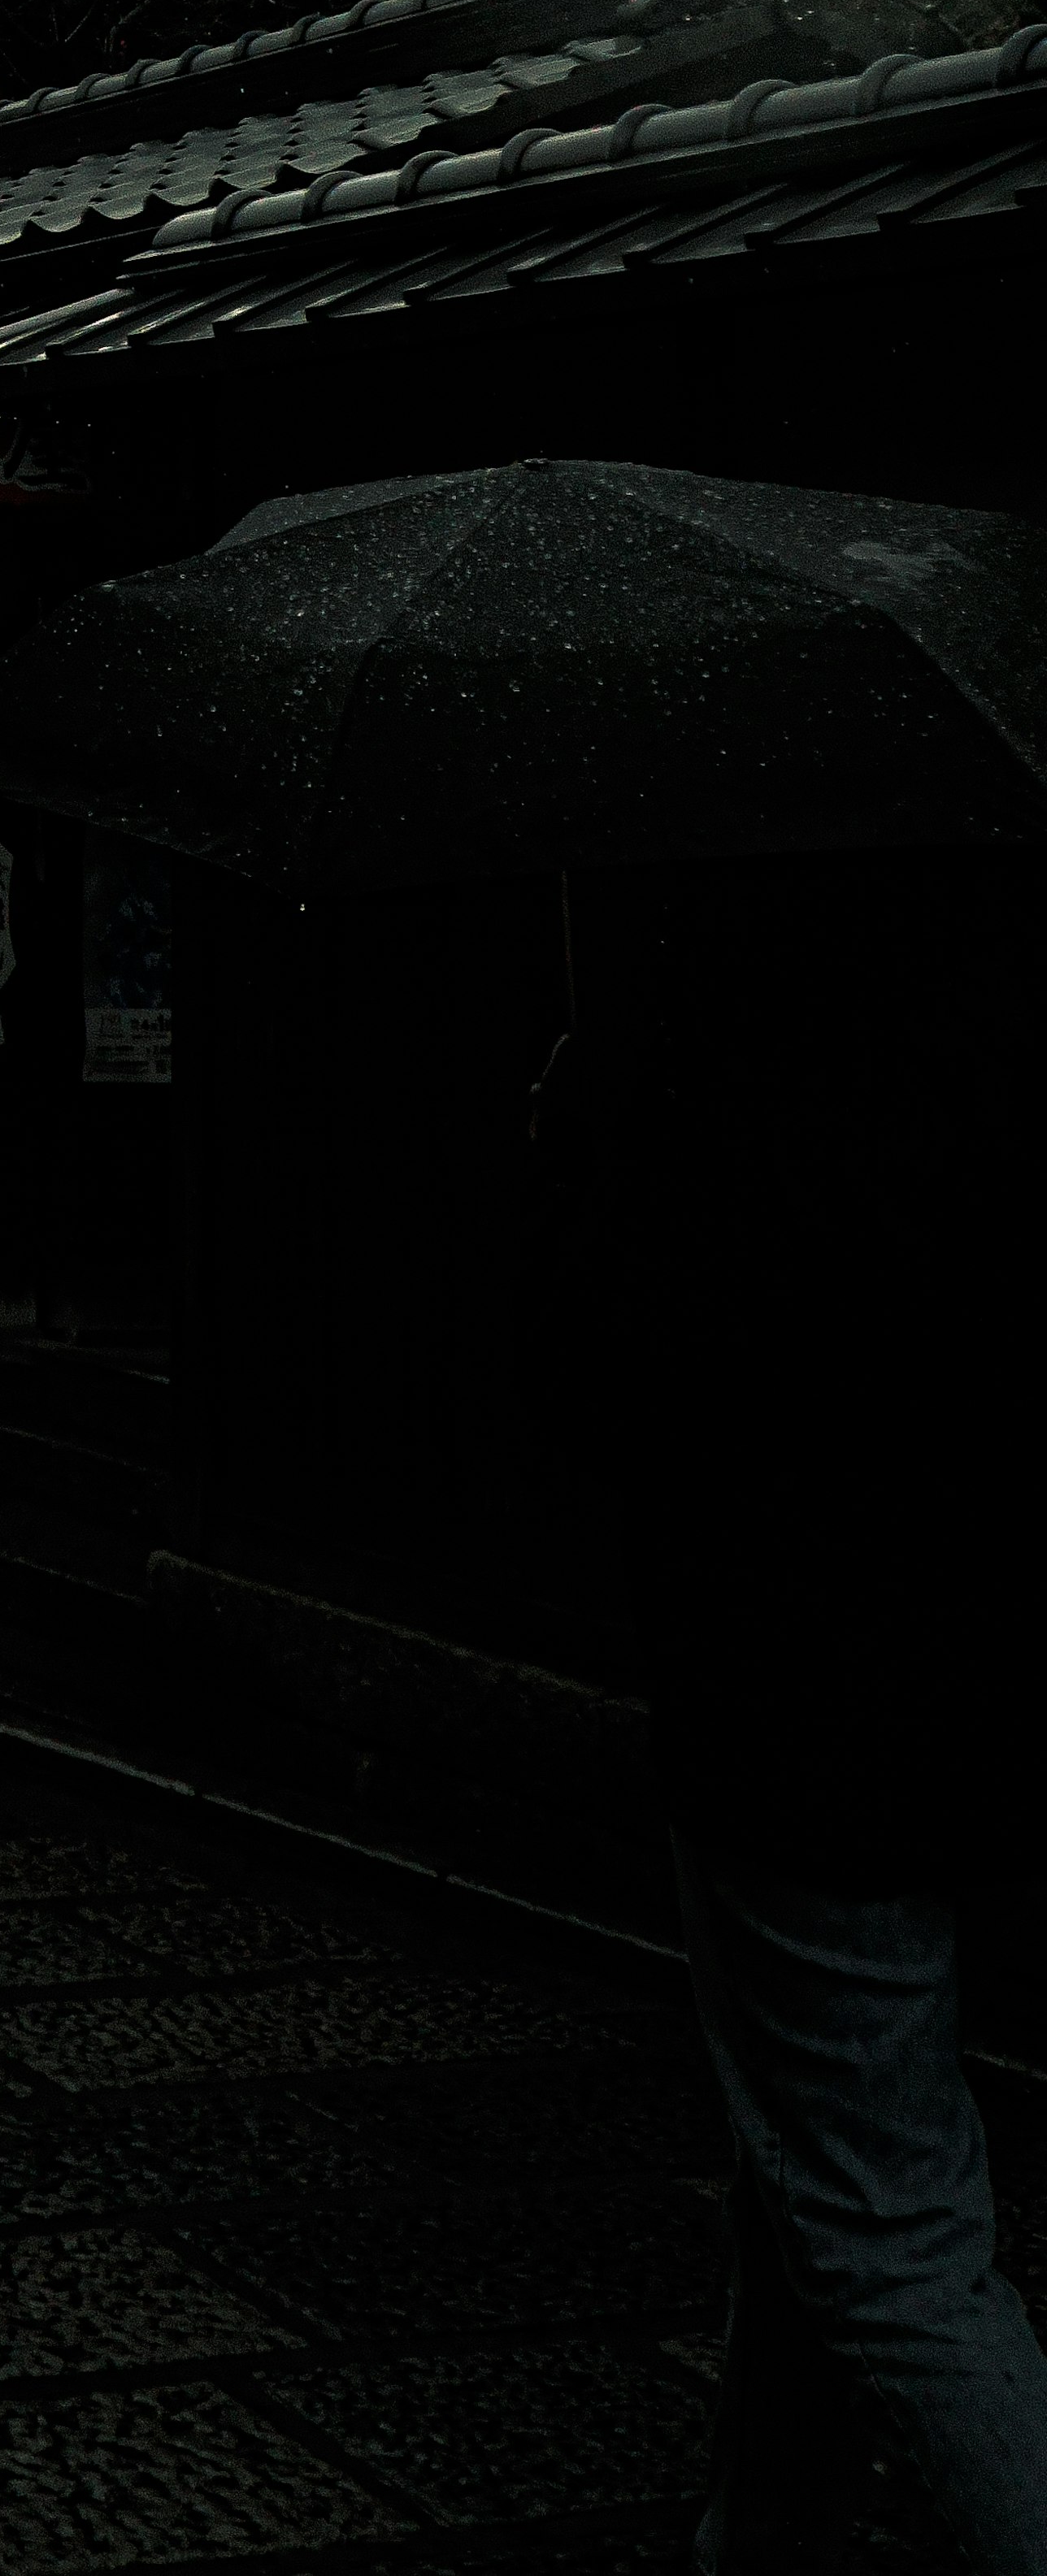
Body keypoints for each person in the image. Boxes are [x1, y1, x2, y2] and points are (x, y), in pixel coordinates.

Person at [576, 852, 1047, 2576]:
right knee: (824, 2147)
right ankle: (764, 2533)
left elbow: (626, 1368)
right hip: (969, 1662)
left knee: (888, 2222)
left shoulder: (735, 1042)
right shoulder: (991, 976)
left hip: (801, 1683)